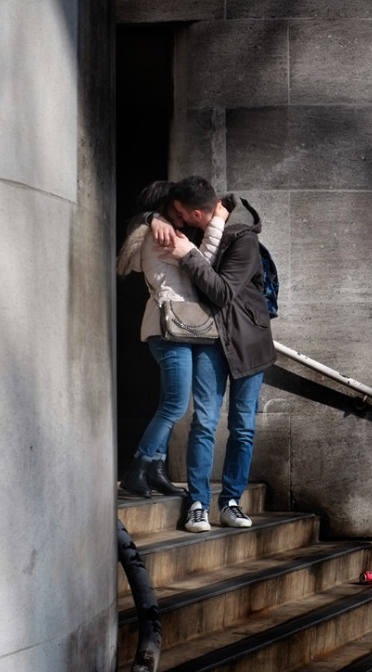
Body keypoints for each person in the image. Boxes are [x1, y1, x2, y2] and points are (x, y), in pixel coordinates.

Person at [156, 176, 275, 533]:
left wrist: (187, 256)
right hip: (208, 341)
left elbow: (222, 292)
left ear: (196, 213)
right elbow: (147, 212)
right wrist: (154, 220)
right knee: (204, 422)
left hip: (248, 343)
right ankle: (197, 503)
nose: (174, 218)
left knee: (242, 428)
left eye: (178, 213)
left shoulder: (243, 241)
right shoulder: (189, 232)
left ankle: (231, 502)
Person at [115, 181, 229, 498]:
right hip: (169, 330)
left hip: (175, 328)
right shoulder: (161, 234)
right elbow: (202, 262)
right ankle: (137, 470)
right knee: (175, 405)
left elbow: (194, 264)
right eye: (175, 209)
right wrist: (217, 222)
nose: (181, 215)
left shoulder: (165, 232)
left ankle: (156, 469)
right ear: (166, 208)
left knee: (170, 402)